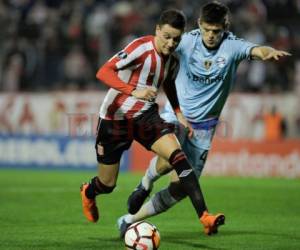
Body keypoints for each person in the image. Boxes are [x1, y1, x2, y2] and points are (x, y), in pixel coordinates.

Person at [118, 1, 291, 237]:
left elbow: (255, 50)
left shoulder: (232, 46)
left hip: (205, 129)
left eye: (216, 31)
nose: (210, 36)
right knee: (171, 156)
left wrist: (266, 52)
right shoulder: (186, 41)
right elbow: (161, 43)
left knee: (179, 190)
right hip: (176, 114)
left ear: (225, 28)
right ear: (199, 24)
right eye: (207, 30)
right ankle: (145, 183)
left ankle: (128, 220)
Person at [80, 9, 225, 236]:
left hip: (145, 116)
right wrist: (133, 91)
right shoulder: (140, 48)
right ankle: (89, 191)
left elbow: (168, 83)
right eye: (166, 36)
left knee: (177, 157)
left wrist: (178, 112)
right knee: (107, 184)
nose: (170, 43)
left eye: (176, 39)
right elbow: (103, 72)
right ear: (157, 30)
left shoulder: (172, 60)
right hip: (115, 119)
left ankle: (205, 216)